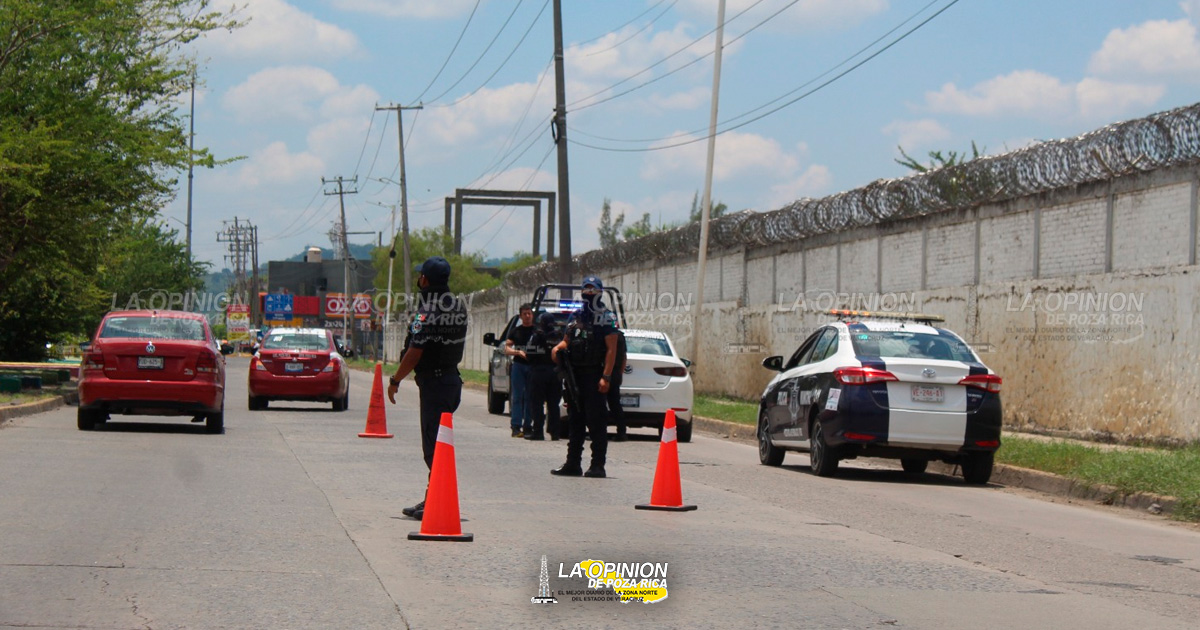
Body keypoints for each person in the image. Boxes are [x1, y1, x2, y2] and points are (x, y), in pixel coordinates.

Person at [386, 256, 467, 521]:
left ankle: (438, 500)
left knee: (433, 446)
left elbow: (415, 351)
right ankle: (433, 496)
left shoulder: (428, 311)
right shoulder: (458, 307)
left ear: (425, 279)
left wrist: (396, 379)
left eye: (421, 275)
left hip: (434, 383)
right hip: (451, 380)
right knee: (439, 444)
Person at [550, 276, 619, 478]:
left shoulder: (607, 317)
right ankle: (573, 463)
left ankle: (598, 465)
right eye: (586, 289)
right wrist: (557, 349)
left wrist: (606, 376)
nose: (589, 293)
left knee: (596, 422)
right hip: (575, 376)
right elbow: (566, 341)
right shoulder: (576, 316)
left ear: (600, 292)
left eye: (593, 290)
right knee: (575, 420)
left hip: (595, 375)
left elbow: (611, 350)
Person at [525, 312, 563, 441]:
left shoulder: (537, 336)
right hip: (555, 372)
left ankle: (538, 432)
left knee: (537, 403)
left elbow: (529, 354)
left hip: (539, 372)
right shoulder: (559, 336)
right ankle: (555, 432)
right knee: (554, 404)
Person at [504, 303, 536, 438]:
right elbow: (506, 348)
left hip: (533, 366)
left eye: (529, 313)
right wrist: (517, 352)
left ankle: (528, 425)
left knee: (530, 397)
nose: (527, 316)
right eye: (525, 314)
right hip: (519, 366)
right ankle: (516, 426)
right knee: (517, 396)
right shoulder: (516, 331)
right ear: (521, 316)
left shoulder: (537, 331)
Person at [607, 328, 629, 441]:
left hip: (604, 372)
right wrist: (619, 373)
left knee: (599, 404)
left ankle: (597, 432)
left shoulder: (603, 333)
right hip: (615, 373)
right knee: (615, 404)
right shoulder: (620, 336)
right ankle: (621, 432)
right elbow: (624, 357)